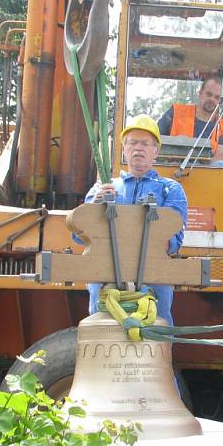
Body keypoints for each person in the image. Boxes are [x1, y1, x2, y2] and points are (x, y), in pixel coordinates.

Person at [82, 114, 188, 324]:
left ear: (156, 151)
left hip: (153, 279)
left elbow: (173, 241)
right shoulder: (101, 188)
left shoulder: (171, 190)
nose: (138, 148)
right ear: (124, 148)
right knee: (102, 335)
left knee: (155, 339)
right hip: (105, 278)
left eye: (145, 143)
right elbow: (81, 237)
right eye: (132, 142)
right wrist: (95, 205)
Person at [157, 76, 223, 163]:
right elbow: (153, 142)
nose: (212, 99)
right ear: (200, 93)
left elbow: (220, 161)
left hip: (205, 175)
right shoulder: (176, 112)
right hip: (171, 171)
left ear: (221, 101)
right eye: (209, 94)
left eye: (217, 97)